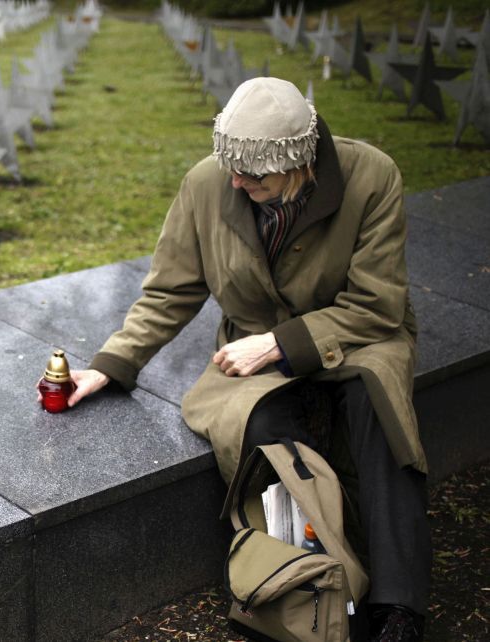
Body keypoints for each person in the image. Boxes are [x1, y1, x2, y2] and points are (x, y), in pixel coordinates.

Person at [62, 77, 429, 641]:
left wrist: (283, 344)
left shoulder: (372, 175)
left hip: (358, 336)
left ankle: (399, 607)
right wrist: (112, 363)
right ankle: (308, 585)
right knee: (261, 428)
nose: (234, 180)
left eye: (253, 175)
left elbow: (377, 305)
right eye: (230, 165)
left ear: (298, 163)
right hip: (252, 349)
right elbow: (169, 291)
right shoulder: (207, 183)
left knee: (380, 411)